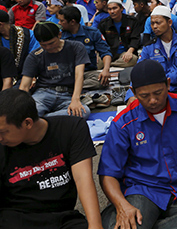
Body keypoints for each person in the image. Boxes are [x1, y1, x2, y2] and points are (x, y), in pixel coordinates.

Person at [98, 59, 177, 229]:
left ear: (168, 84)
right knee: (127, 223)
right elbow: (108, 173)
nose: (152, 100)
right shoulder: (124, 122)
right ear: (133, 92)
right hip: (143, 191)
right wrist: (122, 206)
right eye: (144, 96)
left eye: (158, 92)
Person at [0, 89, 101, 229]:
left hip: (61, 217)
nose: (0, 138)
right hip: (16, 218)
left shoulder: (72, 128)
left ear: (27, 123)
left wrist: (95, 225)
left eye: (3, 132)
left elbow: (83, 179)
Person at [19, 22, 90, 118]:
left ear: (59, 35)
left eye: (51, 43)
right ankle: (47, 120)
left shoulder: (76, 47)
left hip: (68, 94)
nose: (48, 47)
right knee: (26, 114)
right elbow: (24, 86)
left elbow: (79, 75)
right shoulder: (35, 56)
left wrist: (75, 99)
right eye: (43, 45)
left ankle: (41, 120)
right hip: (43, 93)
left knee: (83, 112)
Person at [137, 6, 177, 97]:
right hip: (161, 93)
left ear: (169, 22)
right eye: (152, 23)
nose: (154, 26)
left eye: (158, 23)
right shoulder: (149, 47)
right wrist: (131, 94)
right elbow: (139, 70)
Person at [57, 6, 113, 91]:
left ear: (72, 22)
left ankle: (70, 88)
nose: (59, 23)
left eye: (62, 21)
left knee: (102, 81)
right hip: (68, 74)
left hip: (88, 72)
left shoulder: (92, 33)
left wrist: (106, 70)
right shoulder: (59, 35)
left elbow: (105, 52)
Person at [98, 0, 142, 68]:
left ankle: (110, 64)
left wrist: (130, 51)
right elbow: (99, 41)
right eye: (109, 9)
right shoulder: (104, 24)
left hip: (125, 52)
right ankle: (110, 63)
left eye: (114, 8)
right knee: (97, 62)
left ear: (121, 8)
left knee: (133, 60)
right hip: (109, 53)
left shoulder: (132, 21)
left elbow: (135, 39)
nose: (112, 11)